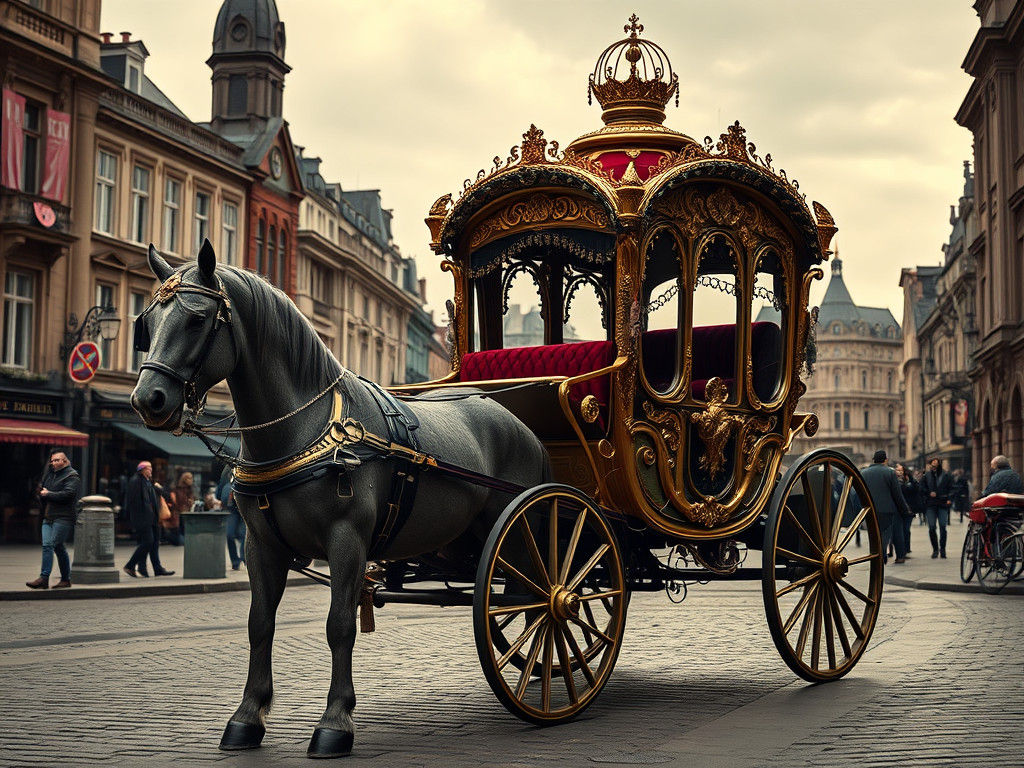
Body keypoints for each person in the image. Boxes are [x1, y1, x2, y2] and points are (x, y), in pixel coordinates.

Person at [26, 450, 81, 590]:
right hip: (48, 516)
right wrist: (40, 492)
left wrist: (48, 494)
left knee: (55, 545)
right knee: (48, 546)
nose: (54, 463)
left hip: (63, 517)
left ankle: (62, 579)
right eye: (53, 460)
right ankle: (46, 579)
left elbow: (68, 494)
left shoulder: (72, 476)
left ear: (65, 461)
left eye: (58, 460)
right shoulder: (50, 474)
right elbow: (42, 491)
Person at [123, 461, 175, 577]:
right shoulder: (136, 481)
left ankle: (155, 568)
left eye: (151, 468)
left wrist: (158, 487)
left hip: (153, 518)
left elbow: (163, 495)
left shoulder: (149, 482)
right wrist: (140, 517)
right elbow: (134, 502)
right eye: (148, 468)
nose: (150, 470)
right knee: (148, 541)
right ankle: (130, 565)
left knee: (154, 542)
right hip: (143, 518)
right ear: (141, 469)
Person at [861, 451, 910, 564]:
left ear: (873, 460)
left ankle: (876, 554)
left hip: (870, 510)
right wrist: (904, 509)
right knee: (889, 534)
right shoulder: (889, 472)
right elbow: (897, 494)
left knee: (874, 534)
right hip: (887, 509)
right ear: (885, 460)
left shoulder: (864, 473)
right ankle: (886, 554)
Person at [922, 457, 953, 558]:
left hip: (942, 503)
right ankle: (935, 549)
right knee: (931, 527)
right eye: (932, 463)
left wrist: (949, 498)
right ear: (930, 464)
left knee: (943, 527)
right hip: (930, 504)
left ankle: (942, 550)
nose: (934, 465)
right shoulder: (926, 475)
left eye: (936, 463)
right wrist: (928, 493)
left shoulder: (946, 475)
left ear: (939, 464)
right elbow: (921, 488)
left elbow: (951, 488)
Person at [218, 465, 245, 570]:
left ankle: (244, 558)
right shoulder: (226, 475)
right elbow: (219, 494)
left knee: (244, 535)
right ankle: (235, 561)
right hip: (231, 510)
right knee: (229, 535)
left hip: (243, 509)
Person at [163, 471, 194, 546]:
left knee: (184, 536)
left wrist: (191, 502)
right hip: (177, 514)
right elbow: (175, 502)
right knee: (178, 536)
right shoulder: (177, 489)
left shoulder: (190, 490)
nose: (191, 480)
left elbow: (191, 501)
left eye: (191, 478)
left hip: (186, 514)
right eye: (189, 478)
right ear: (184, 479)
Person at [895, 463, 916, 555]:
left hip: (909, 508)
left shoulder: (909, 481)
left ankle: (906, 548)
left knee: (906, 529)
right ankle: (902, 550)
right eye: (897, 470)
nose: (898, 472)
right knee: (901, 530)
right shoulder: (894, 480)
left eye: (900, 470)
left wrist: (910, 478)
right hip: (898, 509)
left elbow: (915, 489)